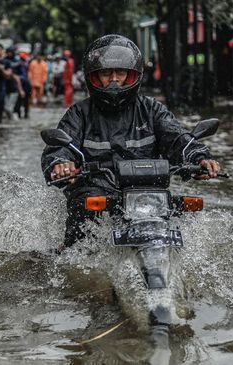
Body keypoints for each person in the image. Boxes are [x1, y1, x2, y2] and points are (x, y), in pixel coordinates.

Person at [41, 35, 221, 248]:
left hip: (147, 195)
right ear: (94, 77)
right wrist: (61, 165)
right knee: (80, 225)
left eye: (121, 73)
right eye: (106, 73)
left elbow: (178, 139)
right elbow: (60, 147)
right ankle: (73, 262)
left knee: (183, 220)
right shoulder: (79, 114)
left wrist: (199, 158)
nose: (114, 80)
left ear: (133, 75)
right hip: (96, 195)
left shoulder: (152, 110)